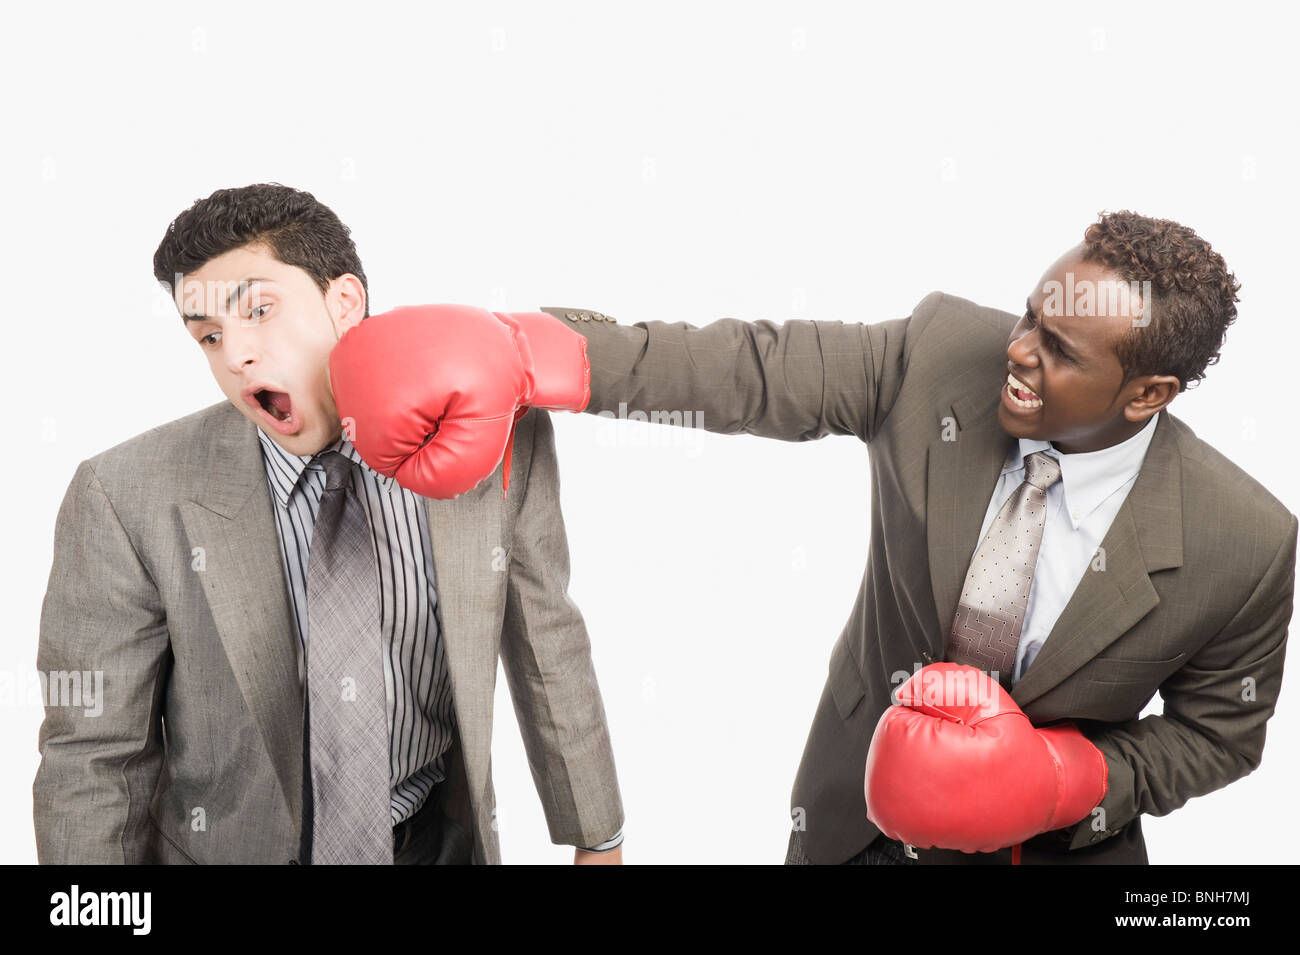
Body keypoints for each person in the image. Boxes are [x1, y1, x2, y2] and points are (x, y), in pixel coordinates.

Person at [533, 210, 1295, 864]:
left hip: (1049, 848)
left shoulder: (1245, 542)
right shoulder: (937, 354)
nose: (1020, 348)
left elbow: (1219, 734)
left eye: (1060, 349)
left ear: (1148, 394)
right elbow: (750, 370)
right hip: (849, 826)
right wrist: (540, 355)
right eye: (1030, 315)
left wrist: (1066, 776)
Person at [33, 182, 624, 864]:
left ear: (345, 303)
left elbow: (546, 636)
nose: (235, 355)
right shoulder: (124, 494)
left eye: (259, 311)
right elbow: (94, 754)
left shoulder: (495, 435)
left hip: (433, 842)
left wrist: (597, 838)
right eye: (210, 335)